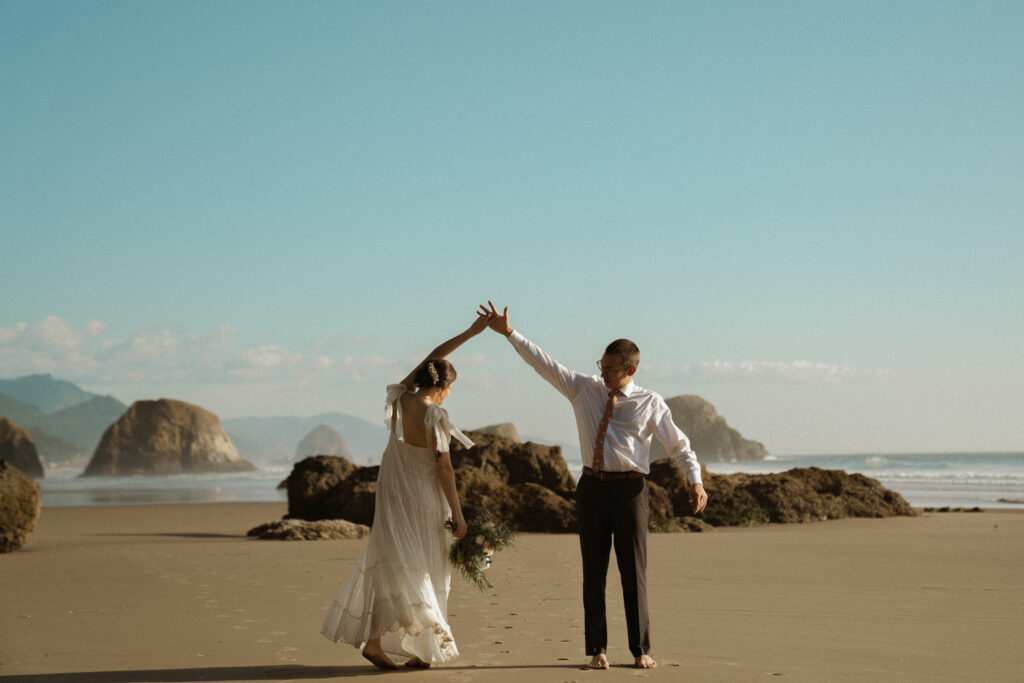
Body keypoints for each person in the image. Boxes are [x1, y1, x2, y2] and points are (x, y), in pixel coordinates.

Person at [480, 301, 708, 670]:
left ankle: (640, 650)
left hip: (631, 491)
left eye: (611, 369)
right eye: (601, 366)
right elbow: (544, 362)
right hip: (590, 487)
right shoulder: (583, 389)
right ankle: (597, 650)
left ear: (630, 369)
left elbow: (679, 445)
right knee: (593, 572)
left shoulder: (650, 402)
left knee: (633, 572)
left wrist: (695, 481)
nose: (603, 374)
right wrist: (509, 333)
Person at [320, 314, 489, 669]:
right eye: (450, 389)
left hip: (393, 487)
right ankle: (422, 645)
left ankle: (379, 643)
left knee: (393, 559)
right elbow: (443, 468)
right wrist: (458, 514)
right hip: (423, 493)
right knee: (427, 563)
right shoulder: (435, 415)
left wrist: (469, 333)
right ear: (443, 387)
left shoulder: (402, 396)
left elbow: (431, 357)